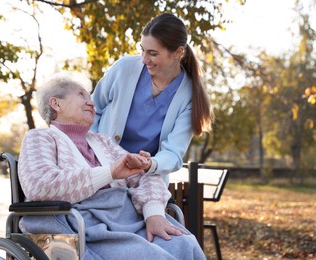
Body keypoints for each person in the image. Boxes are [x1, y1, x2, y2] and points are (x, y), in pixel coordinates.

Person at [17, 73, 206, 259]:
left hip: (126, 220)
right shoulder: (40, 138)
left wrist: (153, 213)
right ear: (56, 103)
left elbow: (145, 175)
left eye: (90, 97)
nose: (92, 103)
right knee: (152, 256)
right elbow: (39, 185)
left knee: (185, 244)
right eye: (82, 95)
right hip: (83, 224)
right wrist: (109, 173)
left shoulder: (102, 142)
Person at [91, 13, 213, 186]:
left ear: (178, 52)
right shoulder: (123, 69)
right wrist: (93, 150)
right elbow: (91, 110)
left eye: (153, 53)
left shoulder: (190, 96)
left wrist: (151, 164)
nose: (144, 59)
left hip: (145, 179)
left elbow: (173, 152)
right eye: (142, 50)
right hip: (102, 168)